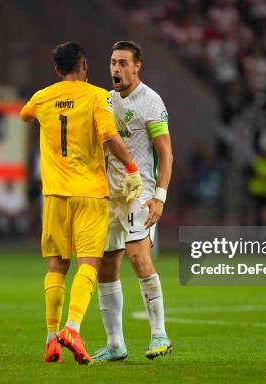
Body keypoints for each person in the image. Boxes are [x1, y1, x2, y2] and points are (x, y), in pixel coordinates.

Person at [19, 41, 141, 365]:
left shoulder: (42, 97)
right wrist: (132, 169)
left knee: (56, 266)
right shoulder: (98, 97)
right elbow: (110, 137)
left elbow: (24, 115)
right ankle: (72, 327)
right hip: (89, 193)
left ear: (58, 69)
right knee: (89, 263)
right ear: (85, 65)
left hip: (55, 195)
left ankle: (50, 339)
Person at [92, 41, 174, 362]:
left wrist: (159, 197)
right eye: (113, 62)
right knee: (105, 266)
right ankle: (115, 344)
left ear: (137, 66)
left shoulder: (150, 102)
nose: (116, 69)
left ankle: (160, 334)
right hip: (108, 194)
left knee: (138, 257)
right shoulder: (106, 101)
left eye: (123, 63)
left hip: (138, 192)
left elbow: (166, 154)